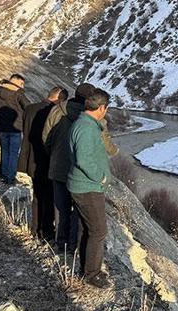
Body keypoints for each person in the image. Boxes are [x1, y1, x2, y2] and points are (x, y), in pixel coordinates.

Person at [43, 83, 117, 252]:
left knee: (60, 207)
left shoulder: (57, 110)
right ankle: (74, 246)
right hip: (83, 176)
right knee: (80, 212)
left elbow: (46, 136)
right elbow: (105, 145)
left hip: (59, 165)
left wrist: (53, 154)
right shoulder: (95, 120)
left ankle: (60, 243)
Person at [67, 88, 113, 288]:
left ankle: (85, 268)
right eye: (106, 108)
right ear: (101, 107)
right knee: (99, 230)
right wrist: (101, 177)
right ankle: (92, 274)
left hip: (84, 185)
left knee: (87, 228)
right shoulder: (86, 128)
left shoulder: (85, 124)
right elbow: (83, 160)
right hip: (88, 187)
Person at [18, 86, 67, 241]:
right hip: (47, 160)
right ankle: (46, 230)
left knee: (37, 195)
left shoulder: (30, 108)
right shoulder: (55, 113)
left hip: (30, 157)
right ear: (61, 99)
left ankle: (35, 228)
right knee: (50, 196)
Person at [0, 74, 29, 184]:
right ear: (17, 82)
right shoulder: (18, 93)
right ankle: (10, 178)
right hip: (15, 127)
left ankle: (3, 174)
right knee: (13, 153)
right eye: (22, 84)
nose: (23, 86)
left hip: (1, 127)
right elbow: (28, 107)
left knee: (4, 151)